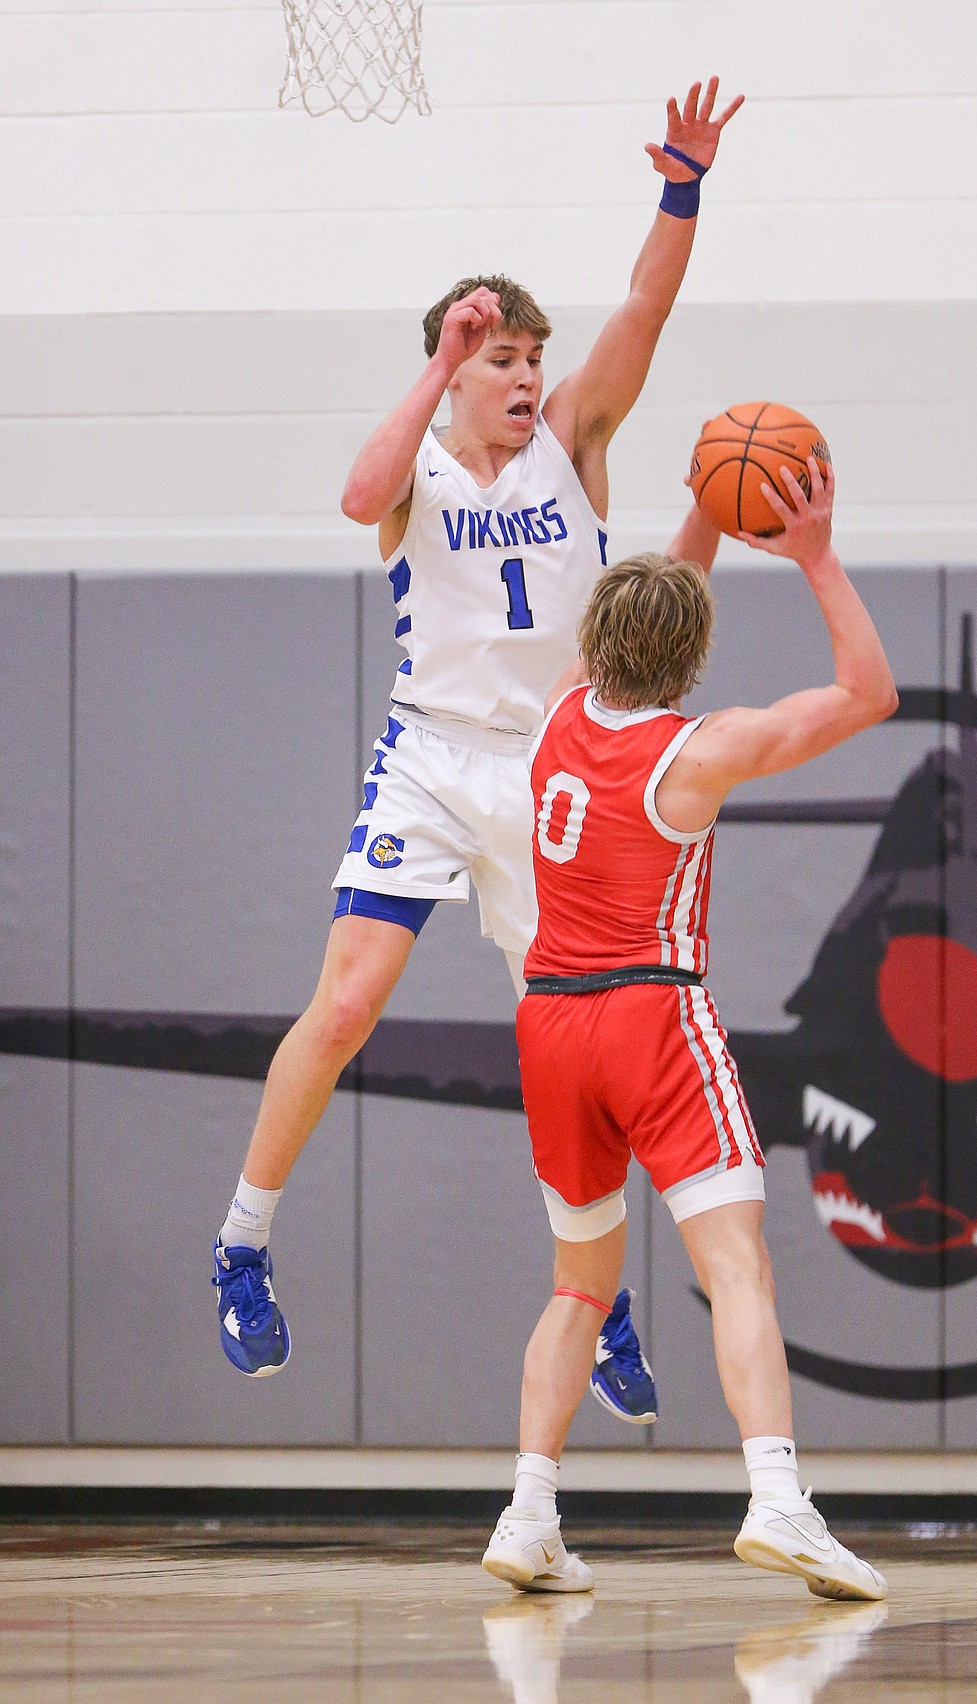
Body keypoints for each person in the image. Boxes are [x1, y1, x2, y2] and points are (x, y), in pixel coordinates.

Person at [211, 79, 744, 1425]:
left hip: (551, 775)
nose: (519, 376)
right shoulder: (420, 471)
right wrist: (438, 360)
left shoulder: (574, 437)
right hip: (434, 759)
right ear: (456, 369)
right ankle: (242, 1239)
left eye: (524, 356)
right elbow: (351, 495)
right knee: (345, 1001)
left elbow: (644, 308)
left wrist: (678, 187)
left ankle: (602, 1295)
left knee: (567, 1051)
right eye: (496, 358)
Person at [481, 459, 898, 1598]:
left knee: (578, 1284)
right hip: (651, 1013)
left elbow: (650, 606)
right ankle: (778, 1499)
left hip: (551, 1023)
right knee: (737, 1264)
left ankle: (528, 1512)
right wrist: (813, 555)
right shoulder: (700, 750)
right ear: (694, 657)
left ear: (599, 635)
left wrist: (704, 518)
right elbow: (869, 694)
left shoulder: (562, 711)